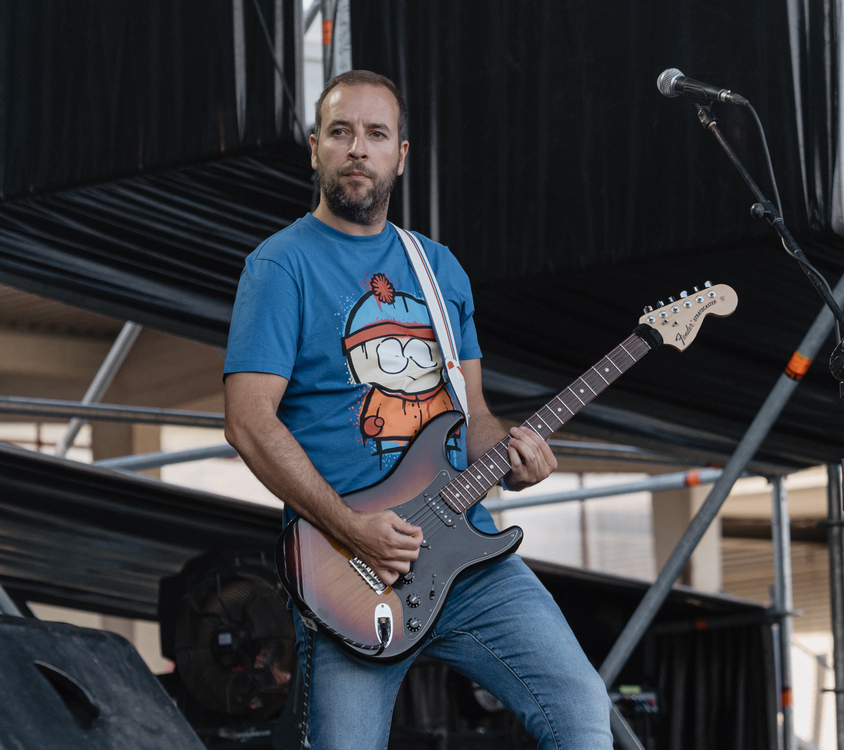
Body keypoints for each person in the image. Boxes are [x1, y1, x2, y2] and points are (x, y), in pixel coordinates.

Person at [223, 70, 613, 750]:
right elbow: (248, 421)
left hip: (469, 555)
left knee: (582, 711)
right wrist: (353, 526)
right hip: (350, 567)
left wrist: (517, 458)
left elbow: (474, 416)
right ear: (316, 148)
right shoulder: (279, 266)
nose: (357, 149)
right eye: (341, 133)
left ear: (401, 155)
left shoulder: (438, 270)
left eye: (376, 134)